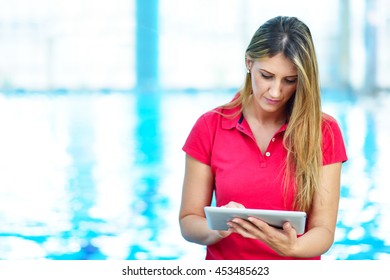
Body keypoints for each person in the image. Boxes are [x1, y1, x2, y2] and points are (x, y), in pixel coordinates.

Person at [178, 16, 348, 260]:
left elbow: (323, 230)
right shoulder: (210, 126)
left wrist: (293, 248)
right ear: (249, 63)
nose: (276, 91)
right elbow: (188, 221)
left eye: (290, 80)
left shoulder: (325, 131)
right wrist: (219, 227)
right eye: (266, 76)